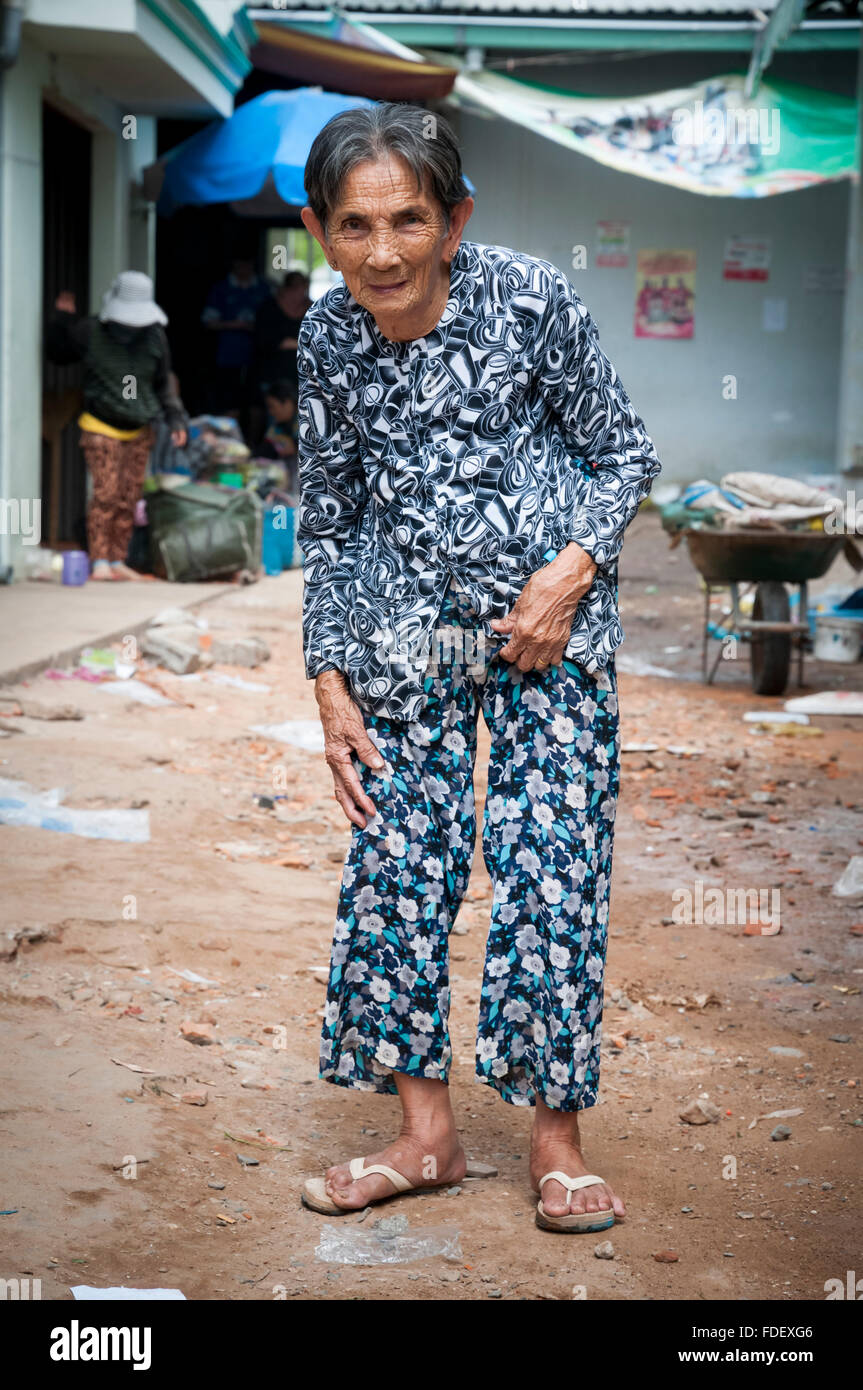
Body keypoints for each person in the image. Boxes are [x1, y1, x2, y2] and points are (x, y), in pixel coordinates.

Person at [296, 104, 661, 1234]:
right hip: (404, 640)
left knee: (550, 865)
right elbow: (328, 516)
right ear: (320, 232)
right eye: (355, 225)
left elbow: (622, 452)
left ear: (455, 220)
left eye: (409, 218)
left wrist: (568, 575)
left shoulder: (529, 299)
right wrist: (327, 676)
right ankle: (427, 1137)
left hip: (547, 633)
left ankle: (555, 1147)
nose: (385, 250)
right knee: (398, 867)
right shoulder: (326, 339)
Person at [46, 272, 188, 581]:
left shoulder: (155, 337)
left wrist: (176, 418)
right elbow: (57, 354)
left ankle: (116, 559)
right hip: (100, 425)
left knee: (129, 497)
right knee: (106, 493)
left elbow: (164, 384)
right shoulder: (89, 331)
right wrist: (60, 320)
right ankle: (99, 560)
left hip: (140, 428)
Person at [201, 253, 270, 418]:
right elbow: (208, 322)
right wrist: (235, 325)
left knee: (257, 401)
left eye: (248, 265)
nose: (244, 269)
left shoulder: (264, 288)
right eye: (240, 265)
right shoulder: (222, 289)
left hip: (259, 354)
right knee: (230, 400)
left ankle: (255, 441)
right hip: (228, 355)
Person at [254, 271, 311, 398]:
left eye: (303, 290)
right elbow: (264, 341)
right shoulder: (269, 309)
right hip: (272, 375)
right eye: (295, 290)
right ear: (286, 290)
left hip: (302, 379)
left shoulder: (312, 309)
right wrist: (299, 344)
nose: (300, 295)